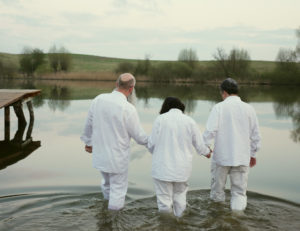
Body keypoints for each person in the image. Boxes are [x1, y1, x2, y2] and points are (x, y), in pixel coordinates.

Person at [80, 73, 148, 211]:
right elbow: (140, 137)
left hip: (100, 154)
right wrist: (155, 143)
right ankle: (113, 219)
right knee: (118, 189)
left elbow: (88, 124)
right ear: (131, 88)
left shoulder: (98, 99)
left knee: (106, 184)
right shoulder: (128, 108)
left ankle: (105, 214)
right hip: (117, 158)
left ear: (116, 84)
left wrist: (88, 142)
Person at [203, 78, 261, 211]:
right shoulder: (249, 109)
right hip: (242, 157)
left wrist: (205, 149)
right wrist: (253, 154)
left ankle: (218, 219)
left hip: (221, 158)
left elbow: (209, 132)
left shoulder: (219, 107)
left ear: (224, 92)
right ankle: (236, 220)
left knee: (217, 193)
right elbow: (256, 136)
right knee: (239, 193)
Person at [147, 97, 211, 217]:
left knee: (164, 201)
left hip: (162, 168)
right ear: (181, 107)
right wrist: (207, 152)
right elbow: (200, 145)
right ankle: (180, 222)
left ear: (165, 107)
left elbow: (151, 145)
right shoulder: (189, 121)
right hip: (182, 169)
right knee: (180, 199)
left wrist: (157, 153)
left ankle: (166, 225)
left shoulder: (160, 120)